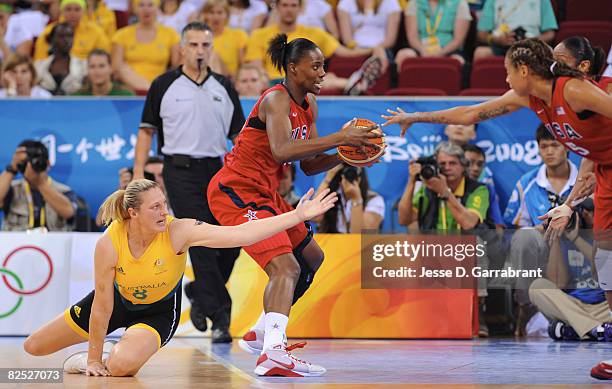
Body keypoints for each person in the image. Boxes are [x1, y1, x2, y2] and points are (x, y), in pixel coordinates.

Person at [381, 37, 612, 380]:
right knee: (606, 259)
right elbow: (470, 112)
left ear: (522, 69)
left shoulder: (574, 90)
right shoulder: (529, 97)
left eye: (507, 72)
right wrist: (416, 116)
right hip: (605, 172)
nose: (505, 80)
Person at [22, 178, 337, 377]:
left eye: (164, 204)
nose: (164, 212)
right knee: (34, 347)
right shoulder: (109, 243)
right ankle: (82, 359)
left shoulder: (178, 230)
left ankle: (111, 354)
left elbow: (241, 232)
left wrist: (296, 216)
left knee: (120, 367)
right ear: (133, 213)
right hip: (117, 303)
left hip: (157, 312)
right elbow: (102, 306)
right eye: (155, 207)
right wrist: (90, 361)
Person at [207, 33, 381, 376]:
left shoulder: (309, 105)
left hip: (267, 193)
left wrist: (346, 157)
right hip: (235, 191)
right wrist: (342, 137)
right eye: (315, 66)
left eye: (323, 66)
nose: (322, 72)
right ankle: (274, 351)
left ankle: (261, 331)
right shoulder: (275, 99)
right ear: (292, 68)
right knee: (285, 267)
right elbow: (282, 151)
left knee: (312, 257)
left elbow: (309, 164)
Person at [133, 22, 244, 343]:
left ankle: (199, 291)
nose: (199, 51)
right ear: (182, 49)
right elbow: (146, 131)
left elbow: (238, 135)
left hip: (218, 170)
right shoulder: (163, 84)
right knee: (200, 240)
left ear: (212, 49)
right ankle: (222, 318)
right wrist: (140, 173)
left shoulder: (224, 86)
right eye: (193, 45)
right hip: (178, 171)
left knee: (230, 240)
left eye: (204, 45)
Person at [244, 0, 388, 93]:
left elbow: (344, 52)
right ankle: (352, 83)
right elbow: (256, 67)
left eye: (293, 5)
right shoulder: (259, 35)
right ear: (277, 8)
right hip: (273, 81)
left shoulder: (315, 33)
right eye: (285, 5)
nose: (289, 9)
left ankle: (355, 84)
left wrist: (373, 49)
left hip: (304, 81)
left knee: (325, 77)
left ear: (300, 8)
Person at [529, 200, 611, 342]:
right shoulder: (561, 241)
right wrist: (555, 239)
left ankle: (573, 329)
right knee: (537, 287)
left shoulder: (603, 234)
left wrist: (576, 238)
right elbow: (558, 283)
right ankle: (595, 329)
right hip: (573, 306)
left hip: (605, 306)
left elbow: (602, 269)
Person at [0, 140, 77, 232]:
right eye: (26, 163)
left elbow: (68, 212)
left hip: (53, 243)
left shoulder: (64, 191)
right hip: (17, 244)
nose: (31, 167)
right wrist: (12, 168)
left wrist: (40, 183)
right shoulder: (12, 188)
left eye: (37, 162)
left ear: (47, 163)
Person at [111, 0, 180, 91]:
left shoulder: (170, 34)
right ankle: (150, 90)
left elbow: (177, 65)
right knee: (123, 68)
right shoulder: (121, 35)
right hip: (130, 87)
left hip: (160, 84)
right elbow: (116, 68)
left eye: (150, 5)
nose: (146, 9)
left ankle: (151, 91)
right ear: (135, 9)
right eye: (141, 5)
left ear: (157, 8)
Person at [395, 0, 471, 68]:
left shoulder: (460, 3)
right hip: (420, 48)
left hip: (449, 49)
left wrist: (441, 53)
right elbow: (412, 37)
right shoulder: (414, 3)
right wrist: (423, 50)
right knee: (404, 55)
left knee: (457, 60)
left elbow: (458, 40)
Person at [473, 0, 557, 61]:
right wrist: (497, 40)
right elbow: (481, 34)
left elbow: (550, 33)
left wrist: (531, 41)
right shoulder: (492, 1)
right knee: (480, 53)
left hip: (532, 45)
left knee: (550, 53)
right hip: (500, 45)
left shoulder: (543, 1)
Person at [314, 163, 385, 233]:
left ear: (360, 176)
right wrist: (328, 179)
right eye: (343, 173)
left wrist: (356, 199)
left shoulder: (373, 199)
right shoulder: (331, 197)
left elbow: (363, 235)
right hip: (330, 243)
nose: (348, 176)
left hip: (358, 244)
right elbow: (314, 217)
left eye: (353, 172)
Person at [34, 0, 111, 61]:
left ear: (83, 11)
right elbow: (40, 60)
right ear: (62, 11)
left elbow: (104, 57)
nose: (72, 13)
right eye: (68, 9)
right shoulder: (50, 31)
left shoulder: (96, 31)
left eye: (77, 9)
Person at [35, 22, 88, 95]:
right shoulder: (39, 65)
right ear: (52, 39)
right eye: (61, 36)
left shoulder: (83, 65)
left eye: (70, 36)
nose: (67, 40)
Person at [198, 0, 248, 78]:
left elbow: (243, 65)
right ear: (205, 15)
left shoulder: (238, 35)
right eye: (211, 12)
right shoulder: (197, 36)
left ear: (227, 15)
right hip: (201, 77)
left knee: (214, 56)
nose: (216, 17)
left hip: (231, 79)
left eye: (220, 12)